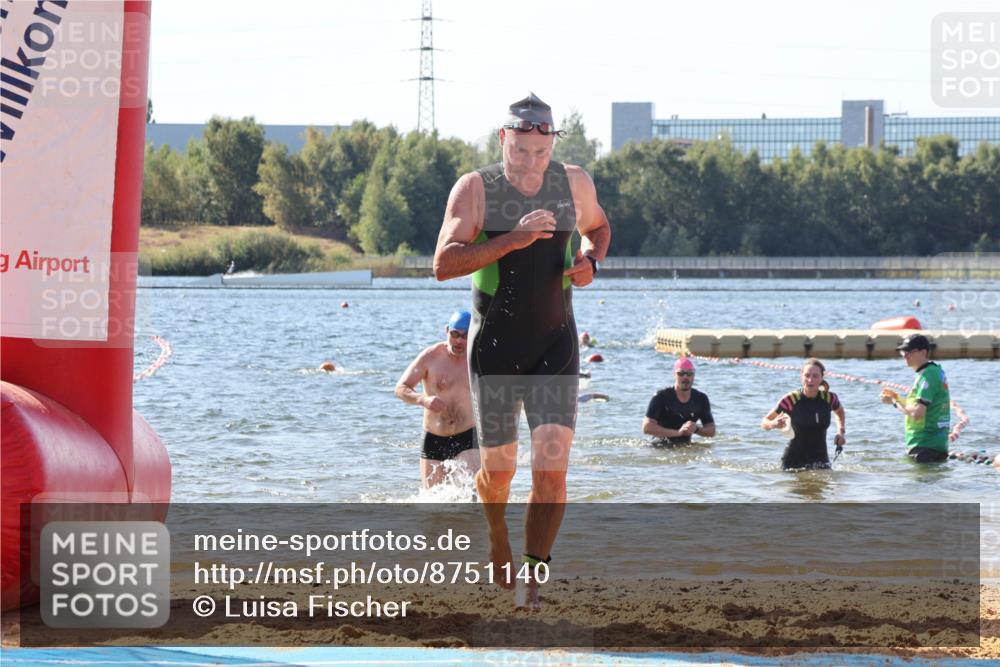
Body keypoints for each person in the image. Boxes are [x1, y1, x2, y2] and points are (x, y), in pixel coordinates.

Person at [432, 92, 611, 609]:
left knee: (552, 470)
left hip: (556, 343)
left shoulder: (574, 182)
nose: (531, 163)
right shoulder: (476, 189)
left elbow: (598, 228)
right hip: (495, 347)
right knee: (500, 474)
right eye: (521, 151)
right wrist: (513, 239)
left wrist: (592, 262)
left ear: (552, 143)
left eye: (541, 152)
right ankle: (496, 533)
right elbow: (443, 263)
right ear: (503, 139)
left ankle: (533, 578)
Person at [395, 311, 481, 488]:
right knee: (433, 501)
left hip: (467, 436)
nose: (459, 341)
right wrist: (423, 399)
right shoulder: (430, 357)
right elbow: (401, 388)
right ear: (447, 331)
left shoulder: (478, 358)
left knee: (473, 495)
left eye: (465, 336)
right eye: (455, 334)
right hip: (434, 438)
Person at [762, 358, 846, 470]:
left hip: (821, 459)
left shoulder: (829, 398)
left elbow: (839, 412)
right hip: (793, 462)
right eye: (807, 375)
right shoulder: (791, 399)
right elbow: (764, 423)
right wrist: (773, 424)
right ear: (801, 376)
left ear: (822, 377)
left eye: (815, 376)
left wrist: (840, 432)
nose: (810, 380)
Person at [880, 333, 950, 463]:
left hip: (924, 446)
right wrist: (897, 397)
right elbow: (918, 406)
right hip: (935, 445)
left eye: (909, 351)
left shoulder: (928, 375)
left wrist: (894, 402)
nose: (905, 355)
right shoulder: (933, 371)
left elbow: (917, 413)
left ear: (923, 352)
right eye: (903, 352)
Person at [642, 357, 716, 445]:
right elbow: (647, 427)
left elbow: (711, 431)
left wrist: (696, 429)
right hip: (660, 447)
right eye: (681, 373)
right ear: (674, 374)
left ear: (694, 376)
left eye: (689, 373)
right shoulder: (661, 396)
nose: (685, 377)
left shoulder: (701, 398)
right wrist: (678, 433)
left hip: (685, 448)